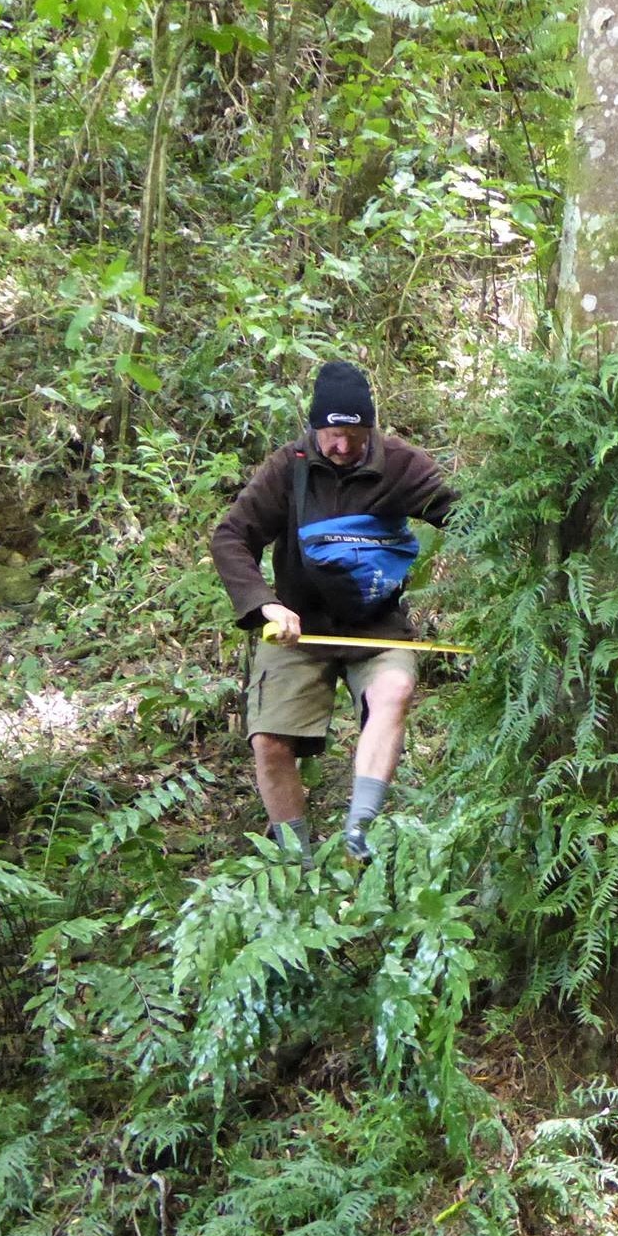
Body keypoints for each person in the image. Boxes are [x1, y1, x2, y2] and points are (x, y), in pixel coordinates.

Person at [210, 360, 456, 861]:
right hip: (298, 628)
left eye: (353, 434)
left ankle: (358, 834)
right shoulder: (289, 467)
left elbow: (472, 519)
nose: (342, 447)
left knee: (394, 691)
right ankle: (293, 860)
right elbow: (232, 537)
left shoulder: (403, 465)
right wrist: (266, 606)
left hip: (377, 624)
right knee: (270, 742)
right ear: (314, 427)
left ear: (370, 426)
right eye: (331, 434)